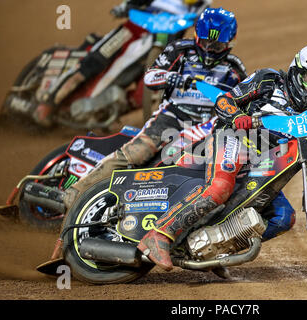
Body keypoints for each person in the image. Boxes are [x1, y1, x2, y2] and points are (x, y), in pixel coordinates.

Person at [137, 44, 307, 271]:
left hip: (264, 166)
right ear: (296, 70)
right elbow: (226, 100)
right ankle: (158, 235)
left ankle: (216, 252)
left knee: (284, 218)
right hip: (234, 138)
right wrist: (237, 116)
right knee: (220, 187)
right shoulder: (270, 80)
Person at [61, 8, 247, 222]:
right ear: (197, 36)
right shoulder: (180, 50)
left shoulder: (234, 68)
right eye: (205, 42)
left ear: (230, 42)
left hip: (206, 127)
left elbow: (244, 99)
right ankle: (74, 193)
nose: (210, 50)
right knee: (138, 153)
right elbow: (150, 76)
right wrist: (171, 79)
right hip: (172, 117)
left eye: (217, 46)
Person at [32, 0, 211, 127]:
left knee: (144, 92)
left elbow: (202, 14)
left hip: (167, 37)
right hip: (139, 24)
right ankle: (48, 103)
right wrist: (126, 5)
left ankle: (104, 110)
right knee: (95, 61)